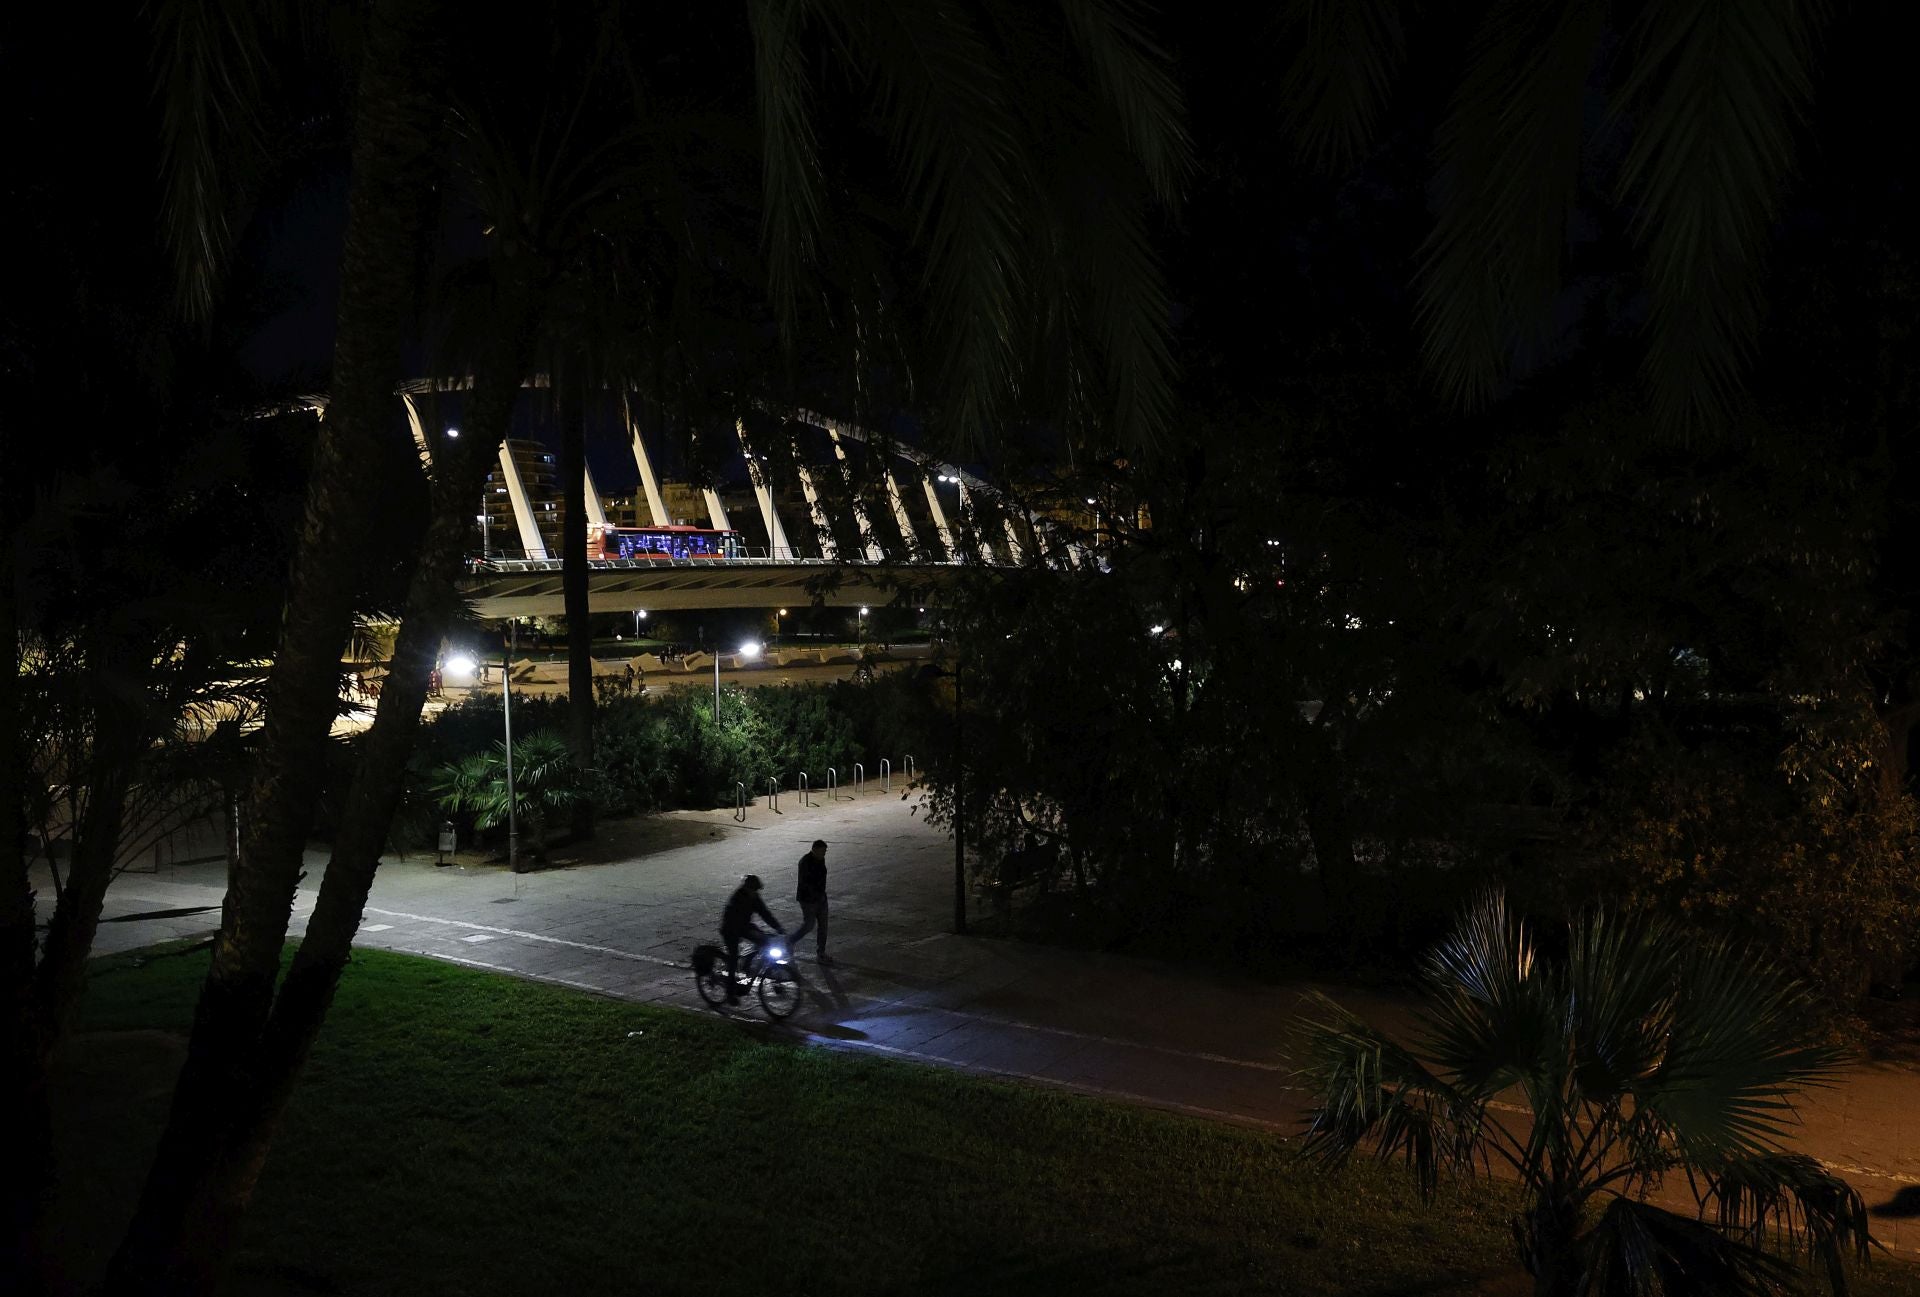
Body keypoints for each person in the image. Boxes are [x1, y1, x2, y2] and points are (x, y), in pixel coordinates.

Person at [719, 873, 784, 1002]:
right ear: (748, 888)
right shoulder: (738, 897)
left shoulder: (754, 897)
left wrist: (778, 927)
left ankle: (747, 965)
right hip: (730, 928)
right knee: (733, 959)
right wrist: (744, 933)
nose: (756, 893)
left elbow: (765, 913)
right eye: (754, 890)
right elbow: (732, 919)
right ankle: (730, 993)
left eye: (756, 890)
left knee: (765, 941)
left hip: (744, 926)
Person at [789, 839, 832, 964]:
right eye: (822, 851)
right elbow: (806, 883)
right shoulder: (805, 862)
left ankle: (821, 953)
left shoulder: (820, 859)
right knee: (809, 925)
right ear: (814, 849)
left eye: (825, 851)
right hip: (808, 900)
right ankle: (790, 941)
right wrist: (816, 896)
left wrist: (822, 895)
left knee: (823, 926)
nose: (824, 854)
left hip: (820, 898)